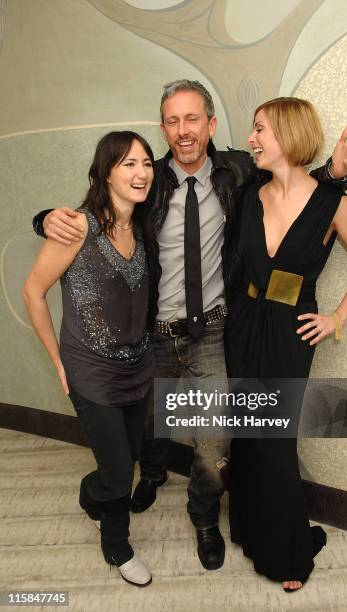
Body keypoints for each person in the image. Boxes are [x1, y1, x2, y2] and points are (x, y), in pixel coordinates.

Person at [32, 79, 347, 570]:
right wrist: (46, 218)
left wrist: (339, 172)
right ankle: (148, 478)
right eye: (172, 121)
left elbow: (293, 182)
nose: (183, 131)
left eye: (192, 119)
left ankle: (203, 516)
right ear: (163, 129)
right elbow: (97, 208)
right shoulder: (147, 179)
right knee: (150, 426)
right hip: (152, 332)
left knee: (213, 435)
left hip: (216, 329)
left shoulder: (237, 171)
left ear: (211, 124)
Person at [224, 97, 347, 591]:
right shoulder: (250, 193)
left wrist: (336, 317)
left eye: (260, 129)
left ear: (288, 135)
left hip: (292, 327)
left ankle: (289, 551)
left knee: (275, 438)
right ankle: (249, 528)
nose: (252, 139)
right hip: (245, 322)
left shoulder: (333, 204)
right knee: (248, 430)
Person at [24, 131, 155, 586]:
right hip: (90, 370)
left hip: (138, 366)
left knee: (128, 457)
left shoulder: (139, 227)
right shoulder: (77, 226)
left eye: (146, 163)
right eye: (128, 164)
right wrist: (57, 358)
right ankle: (117, 546)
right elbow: (33, 291)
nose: (140, 174)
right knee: (120, 474)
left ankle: (90, 493)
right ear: (105, 172)